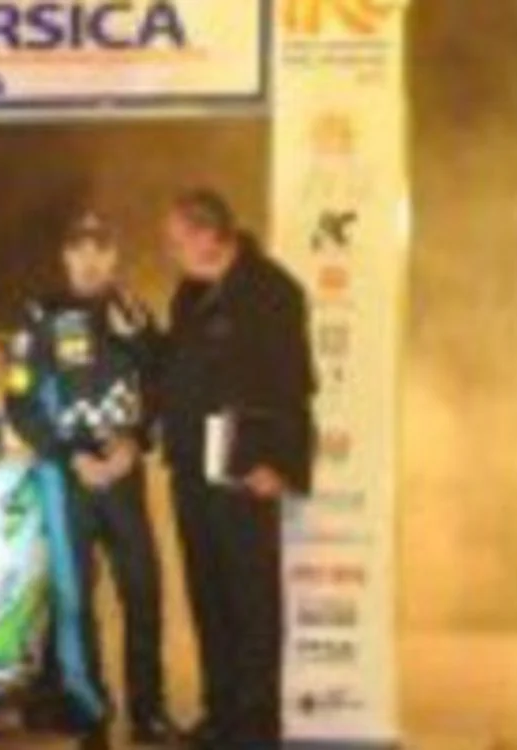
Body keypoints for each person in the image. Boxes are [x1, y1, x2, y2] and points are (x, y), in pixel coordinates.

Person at [7, 212, 181, 748]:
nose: (90, 260)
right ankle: (91, 713)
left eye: (100, 249)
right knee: (74, 599)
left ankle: (148, 713)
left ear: (114, 257)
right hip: (68, 478)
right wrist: (70, 456)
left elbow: (165, 384)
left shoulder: (134, 312)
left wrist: (136, 442)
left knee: (144, 591)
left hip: (124, 473)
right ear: (65, 257)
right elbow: (19, 403)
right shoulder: (40, 315)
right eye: (79, 249)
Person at [159, 188, 316, 748]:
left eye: (177, 240)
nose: (171, 251)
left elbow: (295, 384)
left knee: (252, 600)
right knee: (208, 596)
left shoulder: (272, 291)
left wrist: (279, 462)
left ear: (209, 235)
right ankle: (220, 712)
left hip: (248, 470)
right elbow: (173, 372)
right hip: (192, 469)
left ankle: (255, 725)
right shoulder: (187, 294)